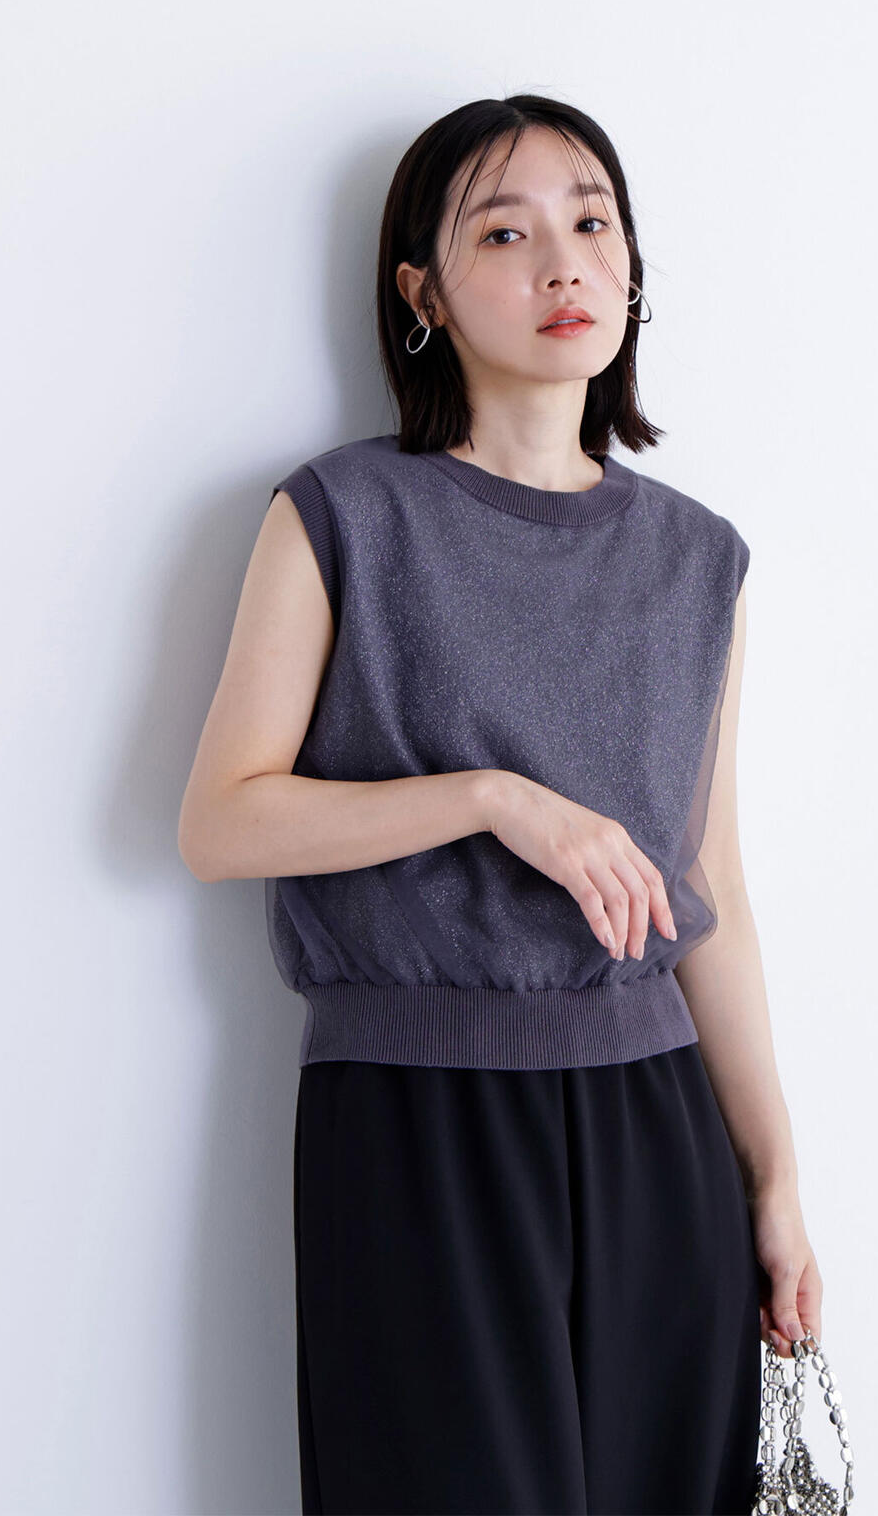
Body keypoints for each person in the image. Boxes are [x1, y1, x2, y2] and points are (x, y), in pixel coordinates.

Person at [178, 93, 823, 1516]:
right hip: (417, 1121)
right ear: (423, 294)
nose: (564, 263)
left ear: (633, 265)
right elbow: (221, 821)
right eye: (505, 232)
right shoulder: (342, 515)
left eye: (593, 222)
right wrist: (490, 801)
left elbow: (710, 893)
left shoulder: (698, 560)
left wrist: (773, 1182)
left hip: (657, 1127)